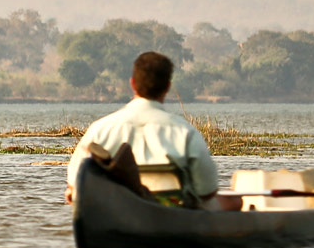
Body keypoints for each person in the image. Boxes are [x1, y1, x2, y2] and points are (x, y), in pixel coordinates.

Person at [64, 51, 219, 205]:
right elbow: (207, 192)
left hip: (117, 213)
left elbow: (74, 182)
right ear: (167, 87)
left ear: (132, 84)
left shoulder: (99, 129)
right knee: (234, 202)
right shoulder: (186, 133)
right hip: (173, 216)